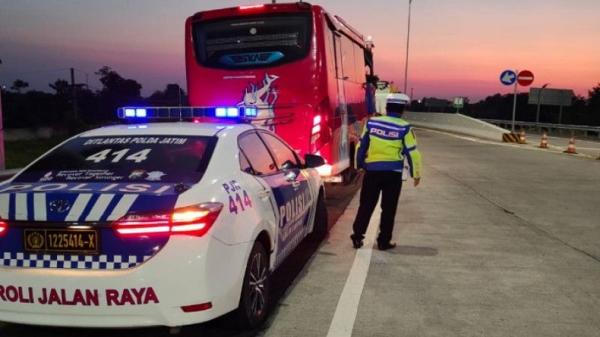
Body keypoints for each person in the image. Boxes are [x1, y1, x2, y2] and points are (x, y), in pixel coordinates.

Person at [350, 93, 422, 250]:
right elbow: (412, 152)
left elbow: (361, 146)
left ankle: (357, 237)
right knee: (389, 208)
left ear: (387, 108)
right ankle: (383, 242)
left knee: (366, 205)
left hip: (373, 171)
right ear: (402, 110)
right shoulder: (405, 127)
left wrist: (359, 165)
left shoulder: (372, 123)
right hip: (393, 174)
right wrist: (416, 174)